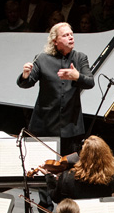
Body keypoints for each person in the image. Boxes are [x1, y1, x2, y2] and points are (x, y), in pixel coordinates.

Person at [17, 22, 95, 154]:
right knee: (42, 166)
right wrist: (25, 74)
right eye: (65, 35)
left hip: (71, 127)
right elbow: (26, 83)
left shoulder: (80, 58)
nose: (71, 37)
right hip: (45, 124)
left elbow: (90, 82)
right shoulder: (42, 59)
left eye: (71, 34)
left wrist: (77, 76)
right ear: (55, 41)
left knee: (68, 169)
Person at [48, 135, 114, 202]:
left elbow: (55, 197)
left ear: (82, 154)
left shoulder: (67, 177)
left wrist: (49, 178)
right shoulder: (108, 178)